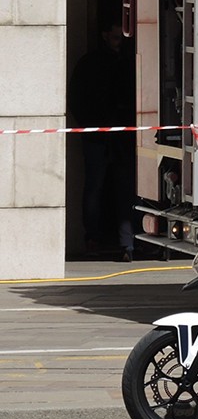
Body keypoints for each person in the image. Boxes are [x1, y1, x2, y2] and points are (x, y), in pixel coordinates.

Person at [68, 20, 137, 261]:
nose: (120, 43)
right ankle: (96, 240)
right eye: (117, 37)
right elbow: (78, 99)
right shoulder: (93, 64)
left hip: (119, 135)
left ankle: (126, 244)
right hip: (100, 135)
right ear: (105, 35)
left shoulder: (128, 63)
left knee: (122, 190)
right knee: (97, 189)